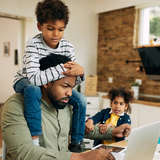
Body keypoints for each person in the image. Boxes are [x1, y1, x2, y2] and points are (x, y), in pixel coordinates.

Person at [1, 73, 131, 160]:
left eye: (72, 87)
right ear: (47, 82)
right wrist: (82, 157)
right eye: (65, 86)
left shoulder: (64, 102)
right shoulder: (16, 105)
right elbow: (24, 153)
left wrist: (113, 132)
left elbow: (81, 129)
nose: (70, 93)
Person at [13, 0, 86, 151]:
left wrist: (80, 72)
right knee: (33, 90)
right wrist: (61, 68)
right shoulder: (33, 45)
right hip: (25, 79)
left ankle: (76, 142)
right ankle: (34, 139)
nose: (56, 34)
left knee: (80, 100)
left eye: (60, 29)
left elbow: (70, 79)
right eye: (50, 28)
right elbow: (34, 78)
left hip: (49, 83)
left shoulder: (67, 47)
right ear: (40, 26)